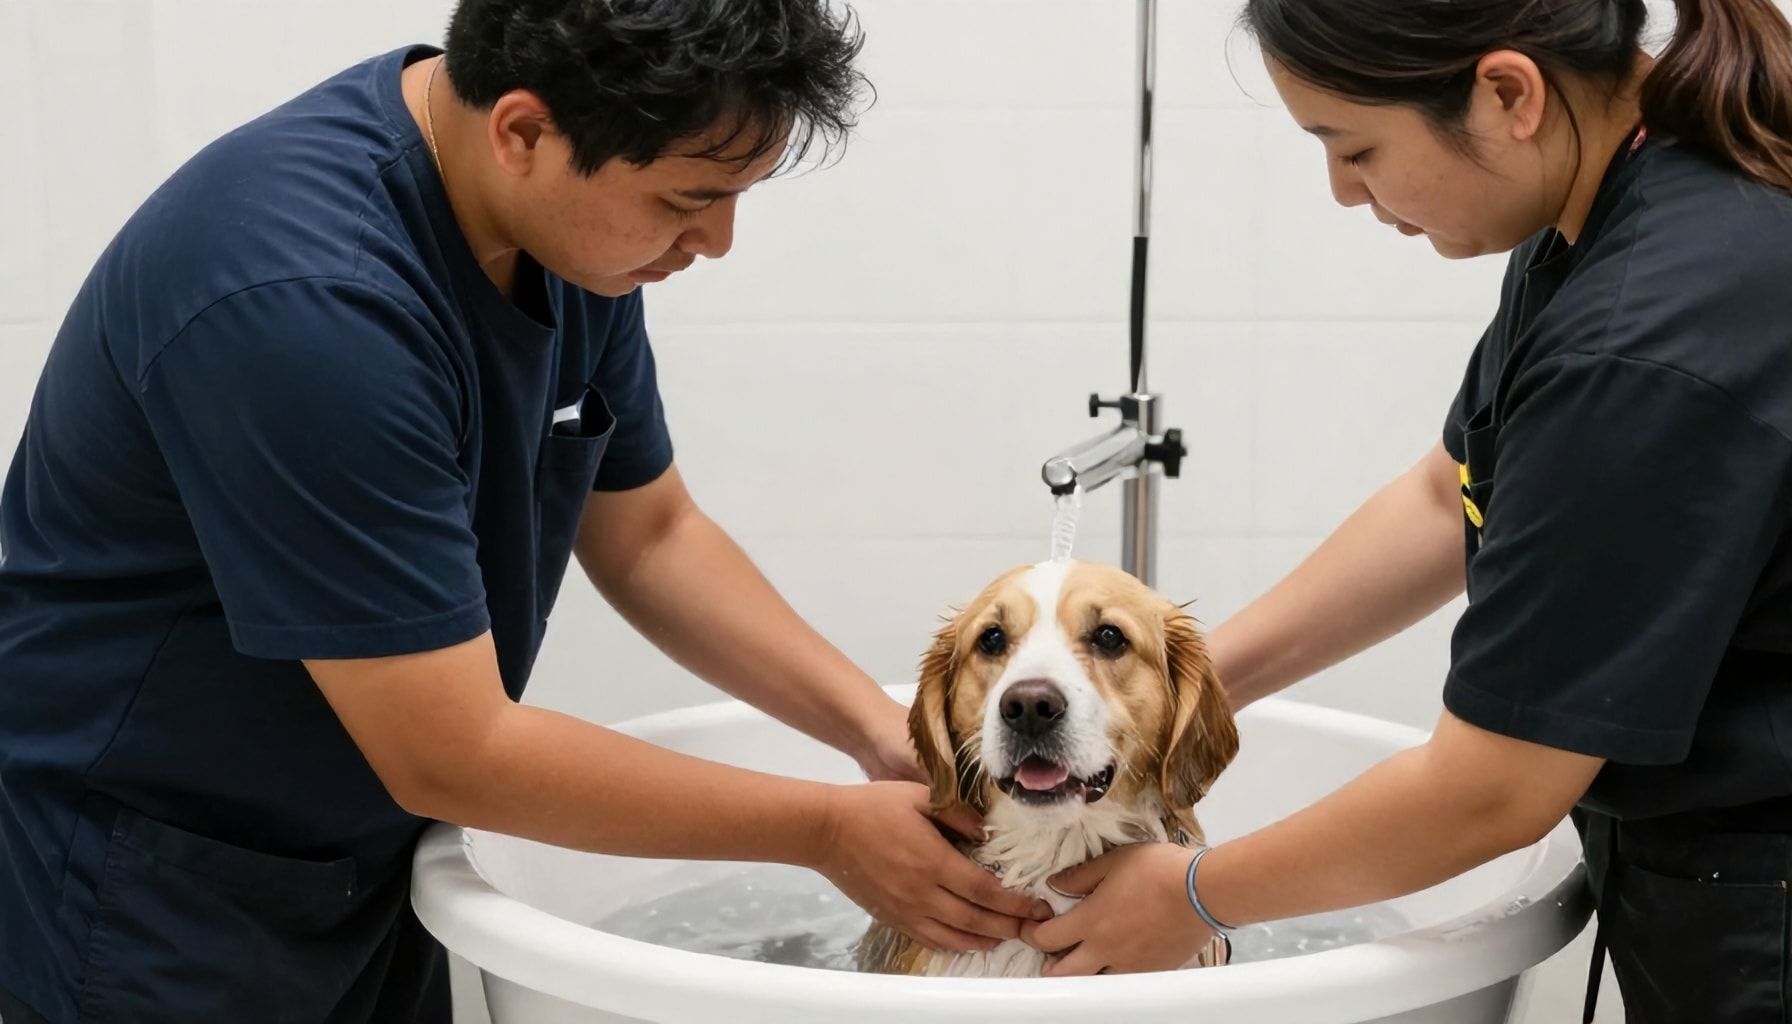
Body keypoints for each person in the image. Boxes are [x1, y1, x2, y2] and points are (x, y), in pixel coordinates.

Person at [0, 2, 1049, 1021]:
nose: (717, 241)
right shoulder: (302, 302)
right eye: (688, 199)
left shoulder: (569, 237)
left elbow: (650, 534)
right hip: (144, 882)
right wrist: (827, 830)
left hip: (356, 850)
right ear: (523, 132)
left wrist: (880, 733)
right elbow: (454, 750)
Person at [1018, 0, 1792, 1019]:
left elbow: (1493, 789)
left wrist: (1196, 895)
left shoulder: (1643, 339)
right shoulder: (1610, 205)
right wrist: (1181, 693)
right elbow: (1444, 497)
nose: (1341, 191)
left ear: (1507, 93)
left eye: (1353, 146)